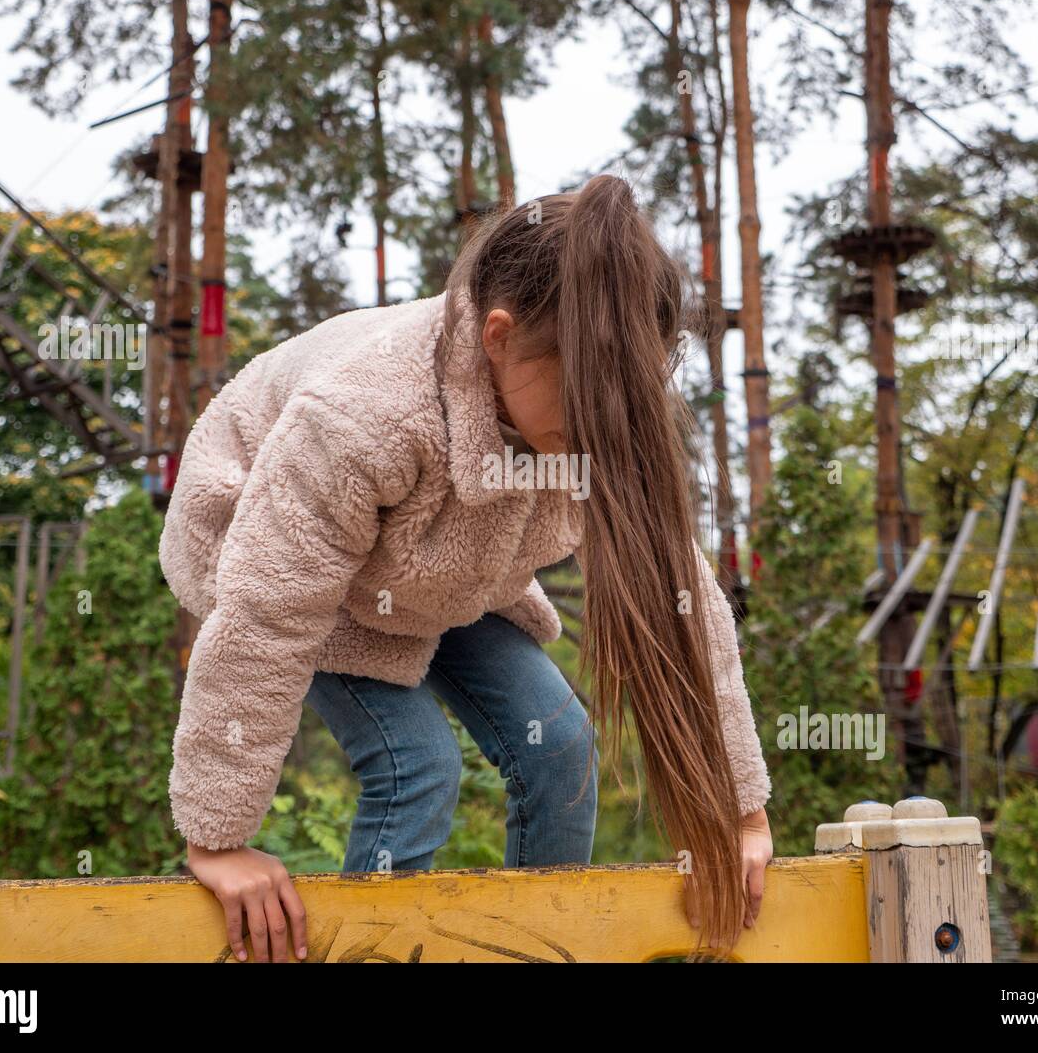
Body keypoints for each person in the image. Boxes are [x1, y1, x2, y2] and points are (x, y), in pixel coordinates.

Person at [159, 174, 773, 962]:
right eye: (581, 398)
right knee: (419, 766)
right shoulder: (365, 417)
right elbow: (268, 614)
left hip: (437, 568)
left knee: (561, 748)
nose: (598, 429)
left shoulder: (584, 423)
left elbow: (681, 600)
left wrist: (741, 812)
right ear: (498, 336)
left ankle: (538, 949)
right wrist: (218, 837)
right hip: (272, 551)